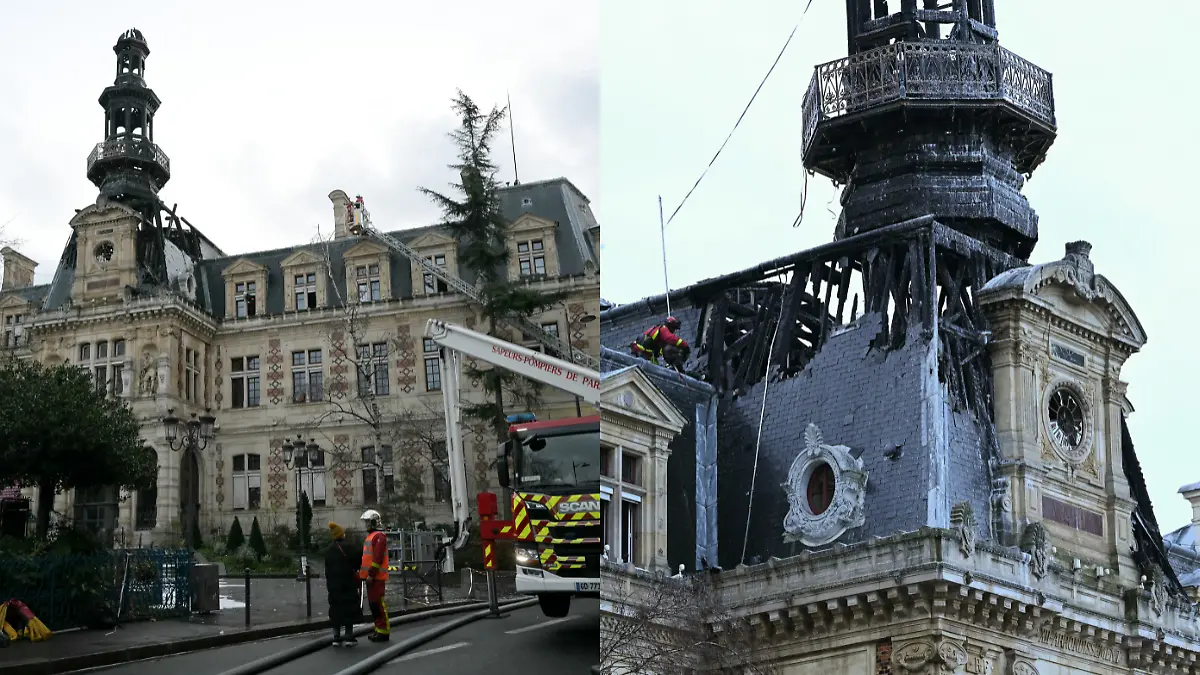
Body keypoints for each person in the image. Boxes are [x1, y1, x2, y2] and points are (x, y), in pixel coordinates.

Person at [324, 522, 359, 647]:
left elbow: (327, 569)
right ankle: (349, 636)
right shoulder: (350, 548)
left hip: (334, 585)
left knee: (336, 609)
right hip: (348, 583)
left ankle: (336, 636)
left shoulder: (328, 551)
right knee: (349, 608)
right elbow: (357, 563)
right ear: (341, 534)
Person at [358, 509, 391, 642]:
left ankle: (384, 631)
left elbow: (377, 559)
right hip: (370, 578)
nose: (366, 525)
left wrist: (371, 574)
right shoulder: (371, 537)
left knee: (378, 605)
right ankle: (379, 629)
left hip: (376, 578)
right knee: (373, 605)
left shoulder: (379, 537)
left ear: (373, 522)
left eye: (367, 522)